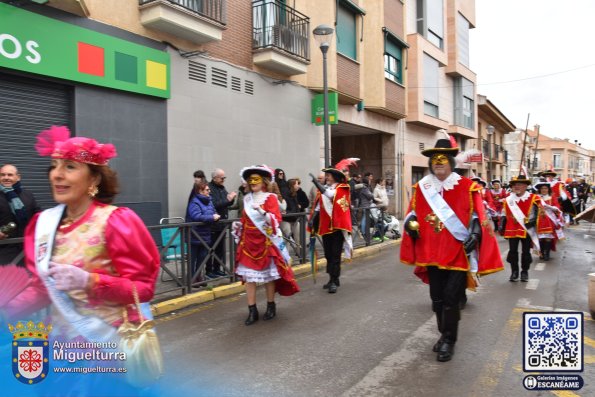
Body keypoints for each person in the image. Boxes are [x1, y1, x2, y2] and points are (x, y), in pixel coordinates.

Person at [2, 126, 160, 389]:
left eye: (70, 167)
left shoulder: (117, 221)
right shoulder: (45, 224)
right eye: (54, 166)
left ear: (94, 179)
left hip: (108, 351)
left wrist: (89, 281)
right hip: (61, 349)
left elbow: (143, 289)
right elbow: (43, 289)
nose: (57, 175)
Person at [400, 135, 503, 362]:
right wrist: (410, 224)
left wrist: (475, 234)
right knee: (436, 298)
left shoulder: (467, 187)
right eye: (435, 160)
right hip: (430, 251)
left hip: (457, 252)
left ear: (451, 162)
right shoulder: (422, 187)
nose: (438, 163)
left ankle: (449, 339)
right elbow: (412, 213)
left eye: (443, 159)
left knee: (450, 297)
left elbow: (478, 215)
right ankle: (443, 333)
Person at [233, 165, 299, 325]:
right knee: (249, 278)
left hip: (265, 242)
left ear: (264, 181)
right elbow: (245, 219)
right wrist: (239, 226)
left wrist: (262, 212)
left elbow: (276, 220)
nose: (252, 182)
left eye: (256, 179)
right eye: (250, 180)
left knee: (269, 277)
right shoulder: (247, 198)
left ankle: (270, 306)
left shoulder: (270, 198)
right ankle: (252, 310)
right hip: (248, 243)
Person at [308, 159, 354, 293]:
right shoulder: (324, 190)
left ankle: (335, 280)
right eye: (326, 175)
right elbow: (317, 207)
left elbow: (330, 196)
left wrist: (316, 183)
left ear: (334, 177)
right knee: (328, 255)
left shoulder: (342, 189)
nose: (326, 177)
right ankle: (331, 278)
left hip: (337, 227)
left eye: (328, 175)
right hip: (325, 227)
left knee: (335, 255)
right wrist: (312, 220)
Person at [499, 175, 541, 282]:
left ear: (525, 186)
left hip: (526, 228)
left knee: (526, 252)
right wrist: (501, 226)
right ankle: (514, 272)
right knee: (513, 251)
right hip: (511, 228)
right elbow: (504, 214)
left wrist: (530, 221)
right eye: (514, 185)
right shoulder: (508, 200)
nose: (516, 187)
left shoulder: (533, 198)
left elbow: (537, 213)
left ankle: (524, 272)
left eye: (519, 185)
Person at [0, 164, 41, 265]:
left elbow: (39, 216)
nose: (6, 177)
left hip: (26, 251)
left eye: (10, 175)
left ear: (18, 177)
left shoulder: (28, 195)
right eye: (2, 175)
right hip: (3, 252)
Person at [186, 181, 220, 283]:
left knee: (202, 257)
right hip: (194, 234)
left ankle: (198, 277)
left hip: (205, 235)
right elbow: (196, 216)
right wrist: (211, 217)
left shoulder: (209, 201)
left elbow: (214, 212)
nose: (209, 191)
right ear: (200, 191)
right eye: (207, 190)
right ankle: (191, 279)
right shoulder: (194, 202)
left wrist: (216, 216)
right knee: (193, 259)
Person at [208, 169, 237, 278]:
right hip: (213, 224)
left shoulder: (222, 188)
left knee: (220, 249)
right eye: (222, 178)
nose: (223, 180)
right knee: (211, 248)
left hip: (222, 224)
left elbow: (227, 203)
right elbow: (214, 204)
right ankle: (209, 271)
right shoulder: (209, 188)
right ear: (215, 178)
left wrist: (231, 199)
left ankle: (217, 268)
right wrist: (228, 199)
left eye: (224, 178)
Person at [534, 181, 563, 261]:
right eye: (542, 188)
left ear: (548, 189)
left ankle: (547, 253)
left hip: (549, 220)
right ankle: (542, 253)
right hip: (538, 219)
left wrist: (550, 207)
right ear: (539, 189)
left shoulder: (552, 197)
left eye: (546, 188)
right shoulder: (536, 197)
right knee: (540, 238)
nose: (544, 190)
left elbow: (557, 206)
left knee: (548, 238)